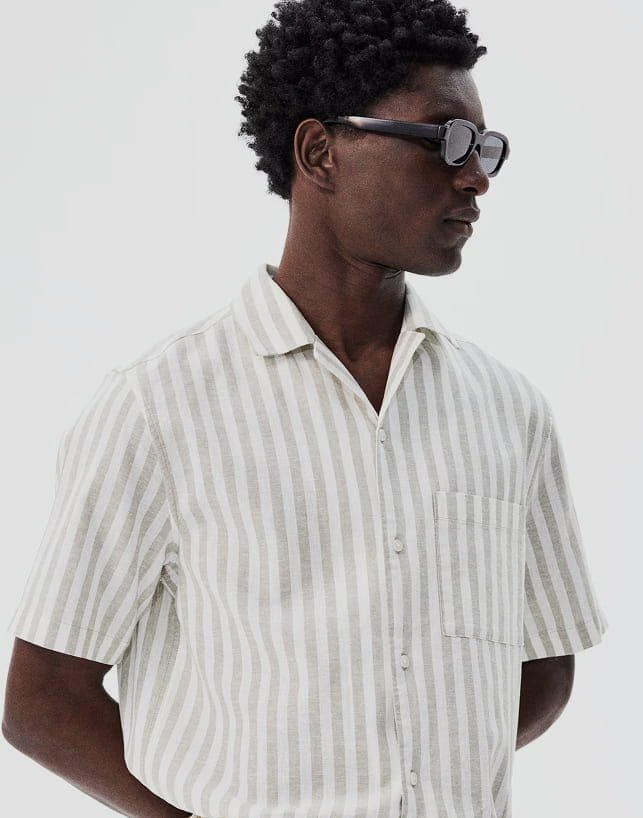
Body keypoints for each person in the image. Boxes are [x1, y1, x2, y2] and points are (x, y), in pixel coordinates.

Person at [3, 1, 608, 817]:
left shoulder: (507, 410)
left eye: (484, 146)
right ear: (320, 152)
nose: (474, 176)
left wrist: (417, 769)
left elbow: (544, 662)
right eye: (445, 140)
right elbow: (42, 698)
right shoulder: (159, 408)